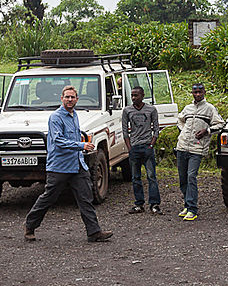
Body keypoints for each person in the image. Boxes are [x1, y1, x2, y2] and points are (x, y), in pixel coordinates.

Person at [24, 85, 113, 242]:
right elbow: (58, 141)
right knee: (49, 197)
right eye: (67, 97)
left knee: (86, 198)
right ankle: (30, 225)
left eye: (72, 97)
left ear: (77, 99)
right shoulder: (56, 117)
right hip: (59, 166)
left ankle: (94, 232)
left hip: (77, 165)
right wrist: (81, 145)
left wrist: (81, 148)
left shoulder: (74, 115)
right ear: (61, 98)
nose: (70, 100)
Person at [175, 83, 224, 221]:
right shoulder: (187, 108)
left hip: (197, 148)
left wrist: (206, 131)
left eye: (200, 92)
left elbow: (220, 124)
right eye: (195, 92)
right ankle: (186, 203)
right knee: (182, 178)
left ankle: (192, 208)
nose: (197, 94)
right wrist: (184, 131)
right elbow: (180, 120)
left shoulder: (209, 109)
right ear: (192, 93)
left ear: (204, 92)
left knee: (191, 176)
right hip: (182, 146)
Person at [122, 86, 162, 214]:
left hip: (147, 147)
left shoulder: (151, 109)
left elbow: (156, 128)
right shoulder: (127, 110)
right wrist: (129, 148)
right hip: (134, 147)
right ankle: (139, 204)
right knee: (135, 178)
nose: (134, 98)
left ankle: (154, 204)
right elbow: (124, 131)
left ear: (142, 95)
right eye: (132, 95)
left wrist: (151, 144)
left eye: (136, 95)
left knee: (151, 176)